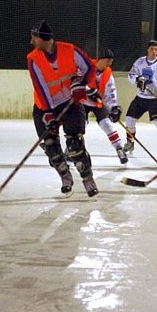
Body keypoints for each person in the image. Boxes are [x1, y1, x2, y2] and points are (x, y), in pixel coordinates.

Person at [27, 20, 99, 197]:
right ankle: (66, 177)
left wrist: (80, 83)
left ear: (43, 38)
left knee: (75, 144)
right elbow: (41, 88)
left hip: (69, 102)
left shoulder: (70, 50)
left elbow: (89, 67)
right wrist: (49, 114)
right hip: (44, 106)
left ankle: (88, 179)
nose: (31, 41)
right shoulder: (33, 58)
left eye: (34, 37)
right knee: (51, 147)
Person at [123, 40, 157, 155]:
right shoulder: (140, 62)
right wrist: (138, 79)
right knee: (129, 119)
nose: (154, 51)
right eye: (152, 49)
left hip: (154, 98)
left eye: (156, 49)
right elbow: (131, 75)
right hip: (140, 97)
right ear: (148, 49)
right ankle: (130, 142)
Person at [82, 47, 128, 164]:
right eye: (109, 60)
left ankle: (119, 148)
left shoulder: (108, 73)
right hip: (83, 101)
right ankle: (71, 151)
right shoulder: (86, 66)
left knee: (107, 124)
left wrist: (113, 107)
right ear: (101, 59)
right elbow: (76, 80)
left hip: (98, 102)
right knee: (80, 125)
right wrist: (87, 90)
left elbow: (111, 92)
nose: (110, 63)